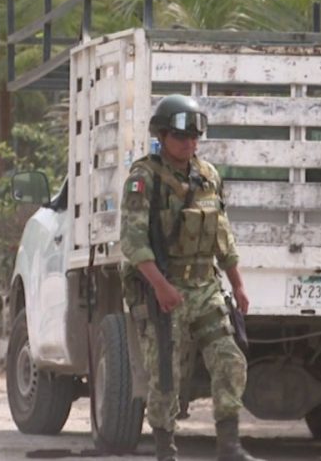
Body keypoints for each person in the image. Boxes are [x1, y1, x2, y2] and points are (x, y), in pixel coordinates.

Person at [120, 94, 262, 461]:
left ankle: (229, 445)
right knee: (167, 374)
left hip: (205, 287)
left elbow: (222, 234)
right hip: (165, 289)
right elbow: (133, 244)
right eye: (182, 137)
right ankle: (165, 450)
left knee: (229, 359)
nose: (190, 143)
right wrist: (161, 287)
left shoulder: (208, 176)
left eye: (195, 137)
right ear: (163, 136)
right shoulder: (143, 178)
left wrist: (238, 283)